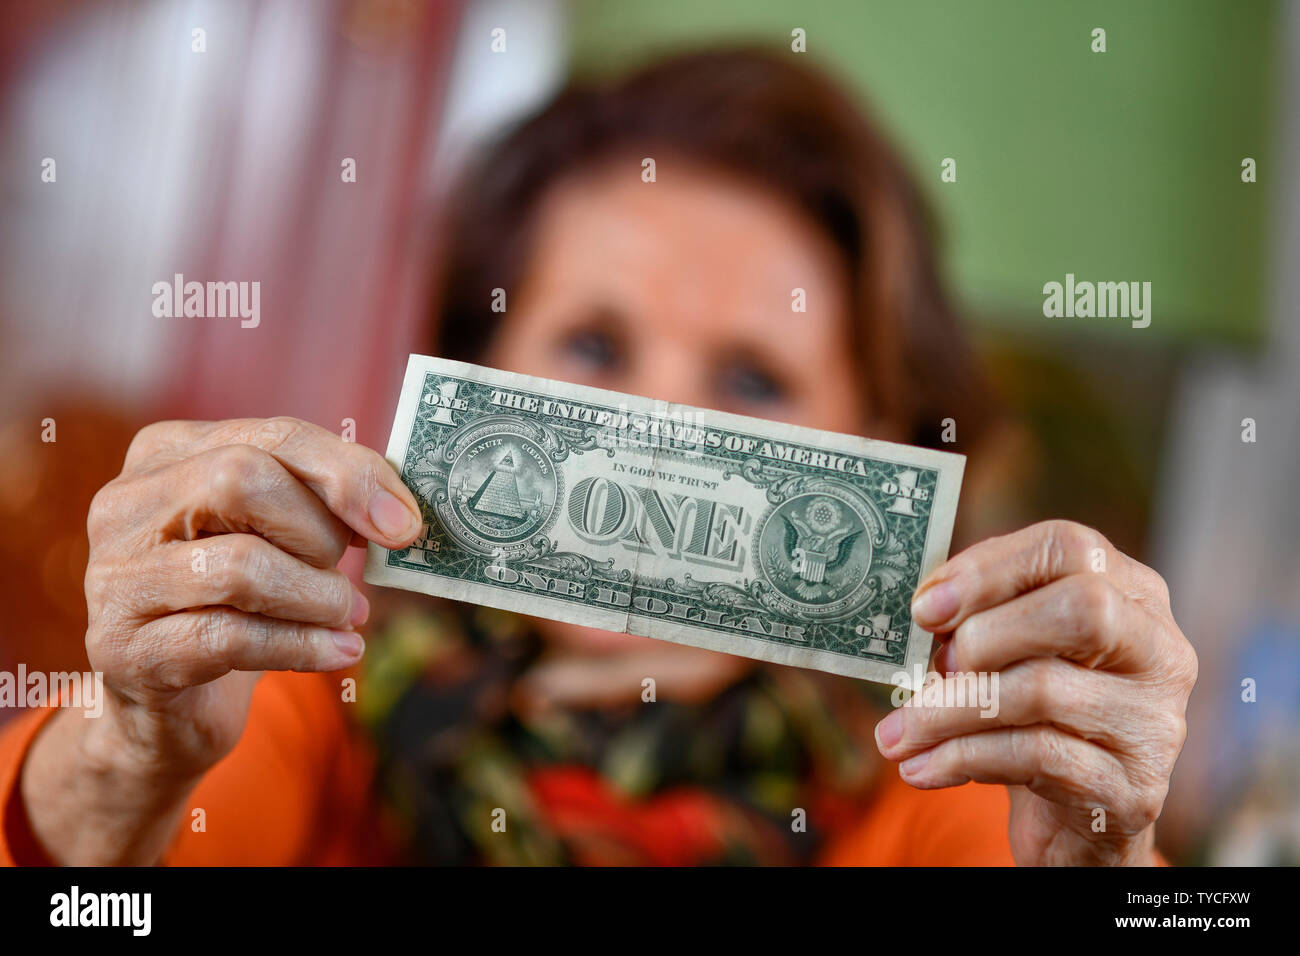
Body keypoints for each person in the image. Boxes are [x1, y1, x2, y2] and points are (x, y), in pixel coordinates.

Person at [0, 49, 1195, 866]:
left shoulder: (959, 792)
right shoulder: (306, 701)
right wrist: (121, 762)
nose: (659, 428)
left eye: (751, 379)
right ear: (475, 369)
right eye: (591, 342)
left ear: (876, 445)